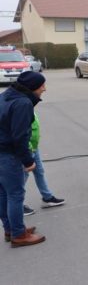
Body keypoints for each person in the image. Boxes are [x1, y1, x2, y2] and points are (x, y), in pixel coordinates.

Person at [0, 71, 46, 247]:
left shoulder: (5, 96)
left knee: (4, 194)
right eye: (42, 85)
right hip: (8, 155)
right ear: (33, 87)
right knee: (15, 195)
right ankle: (19, 235)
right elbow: (19, 137)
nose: (44, 88)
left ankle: (11, 229)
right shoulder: (23, 103)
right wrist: (28, 161)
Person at [23, 112, 65, 215]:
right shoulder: (21, 106)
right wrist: (27, 149)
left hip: (34, 146)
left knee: (39, 171)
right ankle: (17, 204)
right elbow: (20, 132)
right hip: (27, 148)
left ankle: (47, 197)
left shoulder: (29, 105)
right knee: (22, 176)